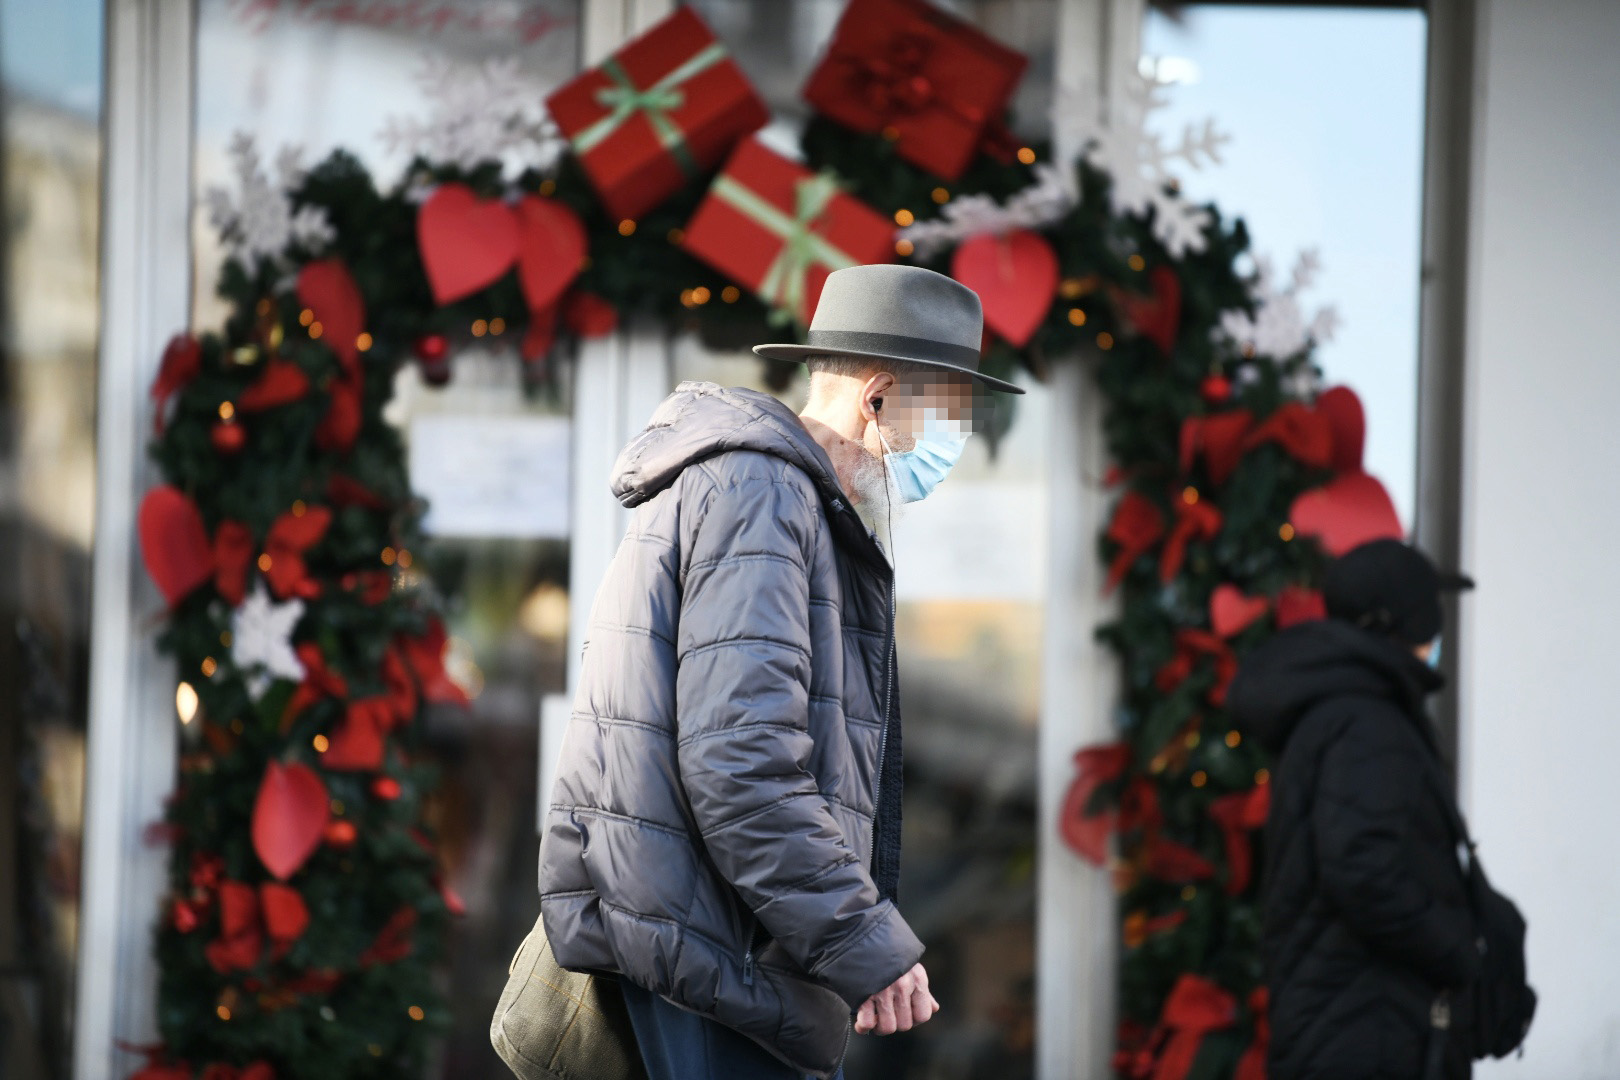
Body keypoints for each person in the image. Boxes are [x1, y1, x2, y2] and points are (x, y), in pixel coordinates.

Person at [536, 264, 1022, 1080]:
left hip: (717, 945)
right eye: (950, 412)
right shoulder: (762, 494)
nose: (957, 440)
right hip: (721, 958)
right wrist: (862, 941)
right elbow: (740, 764)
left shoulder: (767, 492)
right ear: (879, 397)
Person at [1228, 539, 1482, 1079]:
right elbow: (1364, 870)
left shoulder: (1339, 710)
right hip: (1372, 1032)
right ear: (1408, 625)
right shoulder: (1367, 722)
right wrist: (1456, 949)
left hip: (1346, 1024)